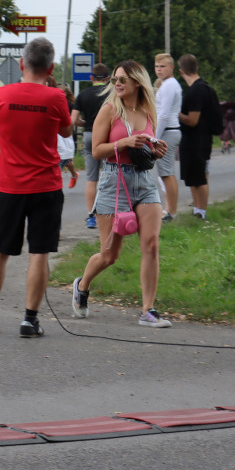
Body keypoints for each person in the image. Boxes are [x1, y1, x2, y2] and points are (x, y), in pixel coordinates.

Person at [0, 37, 72, 338]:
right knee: (39, 253)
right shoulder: (57, 99)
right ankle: (29, 320)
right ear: (50, 67)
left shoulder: (2, 94)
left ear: (21, 63)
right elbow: (65, 131)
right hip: (47, 187)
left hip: (10, 187)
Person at [71, 61, 172, 328]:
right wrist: (123, 142)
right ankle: (82, 285)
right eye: (116, 79)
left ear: (137, 82)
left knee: (151, 245)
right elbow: (96, 151)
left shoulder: (149, 111)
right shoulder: (109, 110)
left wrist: (155, 150)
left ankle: (148, 310)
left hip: (145, 181)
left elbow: (149, 146)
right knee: (109, 254)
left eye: (123, 79)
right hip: (114, 180)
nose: (117, 84)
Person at [177, 54, 217, 220]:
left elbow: (192, 120)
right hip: (203, 138)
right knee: (196, 176)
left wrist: (176, 114)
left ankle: (201, 212)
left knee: (199, 177)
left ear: (181, 71)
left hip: (195, 140)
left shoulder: (195, 91)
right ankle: (198, 210)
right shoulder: (206, 88)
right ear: (197, 68)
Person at [71, 63, 110, 229]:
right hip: (107, 137)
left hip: (88, 136)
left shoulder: (83, 95)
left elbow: (73, 120)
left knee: (91, 179)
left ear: (91, 78)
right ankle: (109, 214)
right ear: (108, 78)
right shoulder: (111, 94)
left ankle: (91, 216)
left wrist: (86, 123)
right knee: (110, 176)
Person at [153, 54, 182, 221]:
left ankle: (171, 211)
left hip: (168, 131)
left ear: (171, 68)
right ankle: (169, 209)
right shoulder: (166, 84)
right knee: (164, 172)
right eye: (157, 66)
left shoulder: (169, 85)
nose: (159, 69)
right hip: (168, 130)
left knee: (166, 172)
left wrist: (154, 139)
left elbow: (163, 115)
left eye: (163, 66)